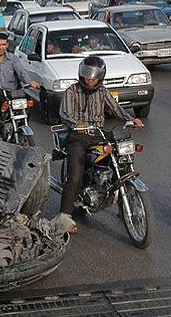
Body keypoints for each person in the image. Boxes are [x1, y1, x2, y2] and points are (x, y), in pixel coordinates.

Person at [58, 56, 144, 233]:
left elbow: (115, 108)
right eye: (87, 74)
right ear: (81, 73)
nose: (90, 79)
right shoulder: (71, 91)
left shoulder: (102, 91)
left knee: (122, 156)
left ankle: (123, 201)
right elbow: (64, 113)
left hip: (98, 134)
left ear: (100, 76)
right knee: (75, 175)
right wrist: (76, 124)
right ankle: (64, 217)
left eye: (94, 75)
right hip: (77, 136)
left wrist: (131, 119)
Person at [0, 33, 39, 148]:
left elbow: (21, 72)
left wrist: (29, 82)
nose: (1, 47)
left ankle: (21, 130)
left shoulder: (13, 58)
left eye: (3, 44)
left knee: (27, 105)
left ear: (7, 45)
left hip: (13, 93)